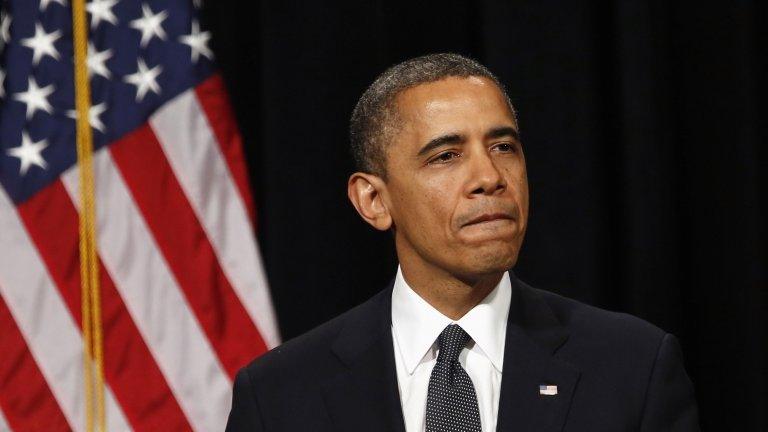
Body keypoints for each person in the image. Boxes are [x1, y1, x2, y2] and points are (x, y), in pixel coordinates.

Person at [226, 53, 700, 431]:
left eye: (503, 147)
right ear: (373, 200)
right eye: (446, 156)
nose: (490, 177)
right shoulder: (280, 396)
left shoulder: (633, 367)